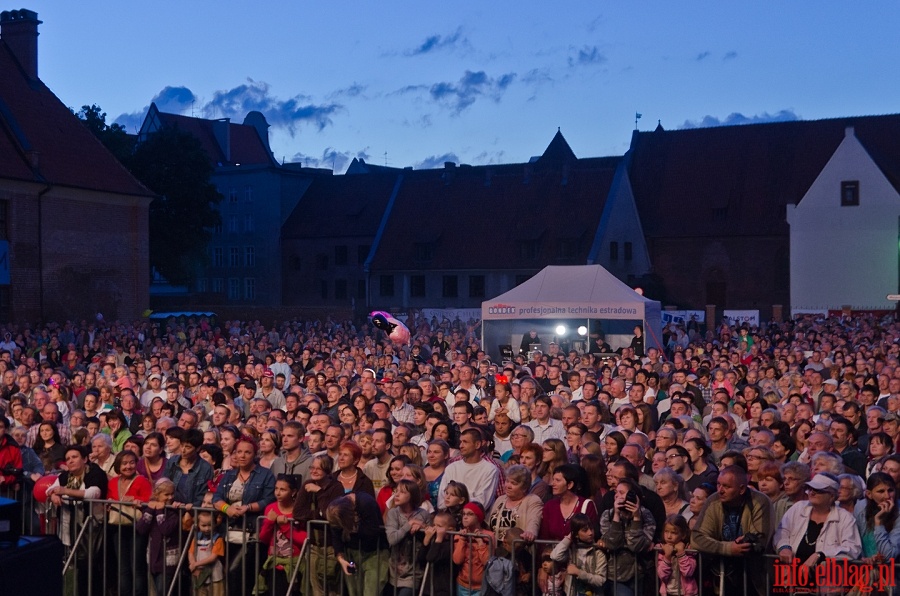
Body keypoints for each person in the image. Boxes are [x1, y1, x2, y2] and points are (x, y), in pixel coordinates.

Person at [691, 465, 775, 596]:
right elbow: (697, 538)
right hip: (718, 573)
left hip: (753, 577)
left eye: (726, 486)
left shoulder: (760, 501)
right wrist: (728, 548)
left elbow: (759, 541)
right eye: (718, 484)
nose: (720, 490)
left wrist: (745, 545)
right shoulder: (713, 500)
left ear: (741, 489)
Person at [212, 435, 276, 594]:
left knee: (240, 576)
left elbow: (269, 499)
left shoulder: (265, 475)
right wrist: (227, 509)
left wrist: (248, 507)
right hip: (229, 532)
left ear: (255, 454)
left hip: (252, 533)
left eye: (247, 452)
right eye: (239, 452)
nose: (242, 455)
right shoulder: (229, 475)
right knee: (231, 575)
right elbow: (216, 498)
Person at [774, 472, 862, 569]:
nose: (812, 492)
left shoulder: (845, 518)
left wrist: (821, 555)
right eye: (810, 488)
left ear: (832, 495)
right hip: (792, 577)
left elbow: (852, 548)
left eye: (818, 490)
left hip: (826, 580)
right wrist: (784, 547)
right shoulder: (798, 508)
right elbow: (783, 531)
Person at [293, 454, 344, 596]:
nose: (314, 471)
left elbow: (330, 514)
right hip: (314, 546)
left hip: (332, 547)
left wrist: (319, 492)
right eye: (312, 467)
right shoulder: (307, 484)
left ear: (327, 471)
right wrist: (319, 514)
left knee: (333, 590)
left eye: (318, 469)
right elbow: (297, 513)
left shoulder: (336, 487)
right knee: (317, 591)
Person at [598, 476, 655, 596]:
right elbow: (613, 544)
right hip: (616, 575)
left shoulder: (646, 515)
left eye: (622, 492)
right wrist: (616, 517)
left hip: (640, 573)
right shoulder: (607, 515)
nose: (617, 496)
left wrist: (637, 518)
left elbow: (636, 545)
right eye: (616, 492)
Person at [326, 492, 390, 596]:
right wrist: (341, 559)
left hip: (374, 553)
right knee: (354, 592)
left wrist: (353, 527)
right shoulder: (336, 508)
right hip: (351, 553)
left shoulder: (366, 503)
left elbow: (373, 532)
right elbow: (336, 536)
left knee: (371, 591)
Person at [106, 450, 152, 596]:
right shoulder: (113, 482)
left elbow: (150, 501)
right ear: (118, 466)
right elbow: (108, 499)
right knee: (123, 567)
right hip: (117, 527)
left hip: (136, 527)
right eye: (124, 463)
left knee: (137, 566)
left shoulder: (142, 480)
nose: (128, 466)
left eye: (132, 462)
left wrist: (137, 500)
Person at [256, 475, 305, 595]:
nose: (278, 493)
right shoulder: (270, 508)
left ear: (293, 492)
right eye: (276, 489)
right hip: (274, 562)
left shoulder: (299, 510)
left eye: (283, 490)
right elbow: (263, 537)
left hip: (295, 563)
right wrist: (269, 521)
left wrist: (284, 526)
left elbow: (303, 539)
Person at [385, 479, 431, 596]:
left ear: (412, 495)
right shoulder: (393, 513)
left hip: (414, 570)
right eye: (396, 491)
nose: (397, 494)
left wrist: (423, 526)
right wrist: (409, 524)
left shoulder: (423, 514)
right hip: (394, 570)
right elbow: (392, 539)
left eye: (403, 492)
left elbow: (431, 537)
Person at [540, 463, 599, 541]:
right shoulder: (549, 506)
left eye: (557, 480)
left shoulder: (587, 505)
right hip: (554, 552)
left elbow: (592, 535)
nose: (553, 484)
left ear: (570, 484)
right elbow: (544, 536)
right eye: (553, 480)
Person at [487, 464, 543, 542]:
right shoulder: (500, 499)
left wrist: (530, 532)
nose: (508, 486)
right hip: (496, 548)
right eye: (507, 481)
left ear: (524, 487)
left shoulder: (533, 500)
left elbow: (534, 521)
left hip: (518, 549)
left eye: (513, 483)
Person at [853, 472, 900, 561]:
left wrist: (879, 522)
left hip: (893, 571)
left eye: (890, 490)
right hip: (864, 569)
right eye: (881, 491)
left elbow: (889, 555)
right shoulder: (861, 507)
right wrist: (865, 558)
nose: (887, 496)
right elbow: (856, 543)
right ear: (869, 494)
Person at [452, 502, 494, 596]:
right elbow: (457, 560)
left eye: (470, 514)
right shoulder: (459, 535)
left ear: (478, 517)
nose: (465, 517)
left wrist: (480, 542)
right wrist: (462, 539)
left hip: (481, 586)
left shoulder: (488, 536)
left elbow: (488, 562)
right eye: (464, 514)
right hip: (462, 585)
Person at [656, 514, 698, 596]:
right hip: (668, 593)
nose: (669, 536)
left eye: (673, 533)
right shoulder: (661, 550)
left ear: (683, 535)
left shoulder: (689, 550)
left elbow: (688, 572)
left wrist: (681, 553)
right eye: (666, 531)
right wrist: (667, 557)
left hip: (687, 593)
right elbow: (662, 575)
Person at [188, 510, 225, 596]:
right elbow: (190, 552)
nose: (207, 528)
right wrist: (193, 565)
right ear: (198, 525)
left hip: (215, 575)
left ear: (215, 524)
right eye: (203, 525)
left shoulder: (218, 539)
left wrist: (196, 564)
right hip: (199, 574)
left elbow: (213, 557)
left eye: (210, 525)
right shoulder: (196, 537)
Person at [419, 511, 456, 596]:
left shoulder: (450, 544)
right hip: (428, 586)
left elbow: (431, 558)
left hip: (442, 588)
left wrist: (439, 539)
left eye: (439, 526)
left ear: (450, 530)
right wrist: (426, 540)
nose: (435, 528)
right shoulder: (433, 540)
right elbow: (421, 558)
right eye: (434, 525)